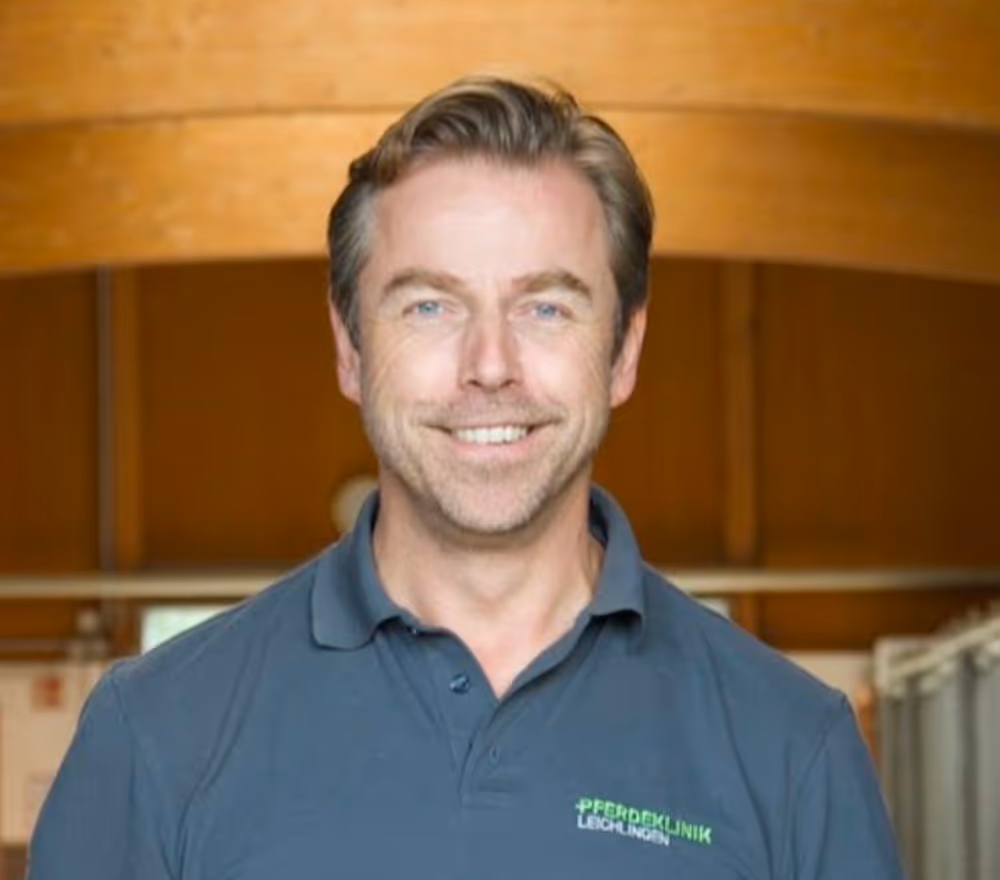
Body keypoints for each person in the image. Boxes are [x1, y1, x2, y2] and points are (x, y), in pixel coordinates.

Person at [28, 77, 902, 879]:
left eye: (546, 307)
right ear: (350, 349)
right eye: (430, 306)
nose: (491, 364)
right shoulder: (155, 735)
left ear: (625, 351)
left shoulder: (791, 749)